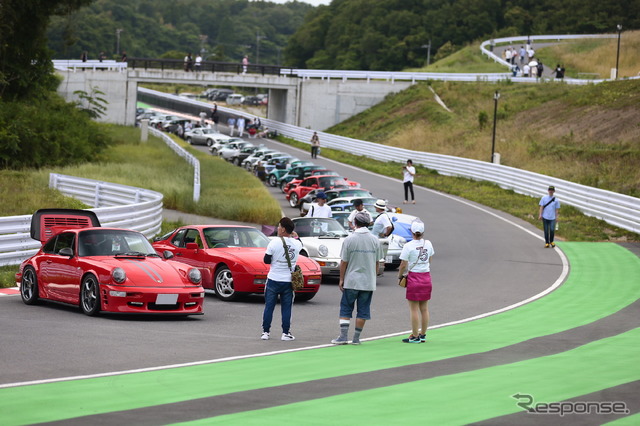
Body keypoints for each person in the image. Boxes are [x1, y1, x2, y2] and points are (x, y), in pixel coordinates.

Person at [331, 211, 383, 345]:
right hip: (368, 282)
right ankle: (356, 338)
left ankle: (343, 337)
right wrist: (374, 276)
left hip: (352, 280)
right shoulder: (374, 240)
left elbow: (344, 261)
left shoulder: (349, 239)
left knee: (346, 308)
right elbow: (378, 262)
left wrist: (341, 279)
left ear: (355, 223)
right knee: (363, 309)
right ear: (368, 223)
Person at [261, 217, 301, 341]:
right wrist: (295, 235)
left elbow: (266, 260)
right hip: (288, 280)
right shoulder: (297, 244)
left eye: (279, 226)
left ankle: (266, 332)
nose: (277, 228)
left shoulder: (274, 242)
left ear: (283, 229)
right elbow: (299, 241)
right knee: (287, 307)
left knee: (269, 306)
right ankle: (285, 333)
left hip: (273, 278)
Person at [397, 221, 435, 343]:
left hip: (414, 278)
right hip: (426, 277)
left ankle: (414, 335)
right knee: (424, 308)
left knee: (413, 309)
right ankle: (423, 334)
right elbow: (430, 259)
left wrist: (400, 276)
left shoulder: (408, 246)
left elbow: (403, 264)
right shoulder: (428, 243)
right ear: (422, 232)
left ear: (412, 232)